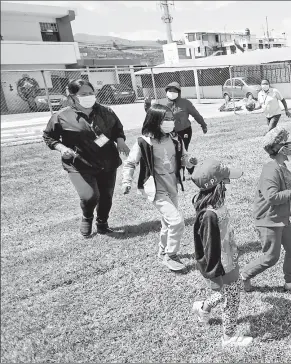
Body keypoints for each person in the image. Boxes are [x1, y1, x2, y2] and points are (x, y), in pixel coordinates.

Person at [43, 79, 130, 237]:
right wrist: (62, 148)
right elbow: (49, 137)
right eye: (83, 94)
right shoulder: (62, 116)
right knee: (89, 196)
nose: (89, 96)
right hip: (79, 163)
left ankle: (102, 224)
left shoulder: (106, 112)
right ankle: (87, 217)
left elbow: (118, 129)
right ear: (72, 97)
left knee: (106, 196)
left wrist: (120, 141)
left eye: (91, 93)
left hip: (107, 161)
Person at [121, 104, 197, 271]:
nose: (170, 122)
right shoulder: (144, 142)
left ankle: (162, 251)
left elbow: (183, 157)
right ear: (154, 121)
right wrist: (126, 181)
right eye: (166, 119)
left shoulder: (175, 138)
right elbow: (130, 163)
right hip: (155, 189)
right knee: (176, 221)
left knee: (168, 222)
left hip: (172, 186)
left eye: (171, 119)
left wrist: (189, 161)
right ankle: (171, 255)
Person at [190, 159, 253, 347]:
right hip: (222, 265)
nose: (228, 185)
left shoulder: (218, 205)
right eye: (226, 181)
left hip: (229, 258)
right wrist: (215, 273)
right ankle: (229, 337)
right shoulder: (209, 214)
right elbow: (208, 247)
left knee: (231, 291)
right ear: (218, 185)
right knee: (232, 297)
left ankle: (204, 307)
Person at [241, 127, 291, 292]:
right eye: (288, 143)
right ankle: (242, 276)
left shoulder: (281, 166)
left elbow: (283, 192)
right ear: (281, 148)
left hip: (281, 218)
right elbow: (272, 197)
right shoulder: (271, 169)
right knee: (271, 257)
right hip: (269, 220)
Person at [144, 82, 208, 178]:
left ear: (179, 92)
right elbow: (152, 114)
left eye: (174, 91)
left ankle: (190, 170)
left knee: (183, 150)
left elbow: (196, 114)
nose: (172, 93)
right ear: (166, 92)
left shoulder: (186, 103)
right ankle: (174, 171)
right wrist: (147, 105)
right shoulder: (161, 103)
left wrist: (203, 125)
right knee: (171, 151)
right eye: (170, 91)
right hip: (168, 132)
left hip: (184, 131)